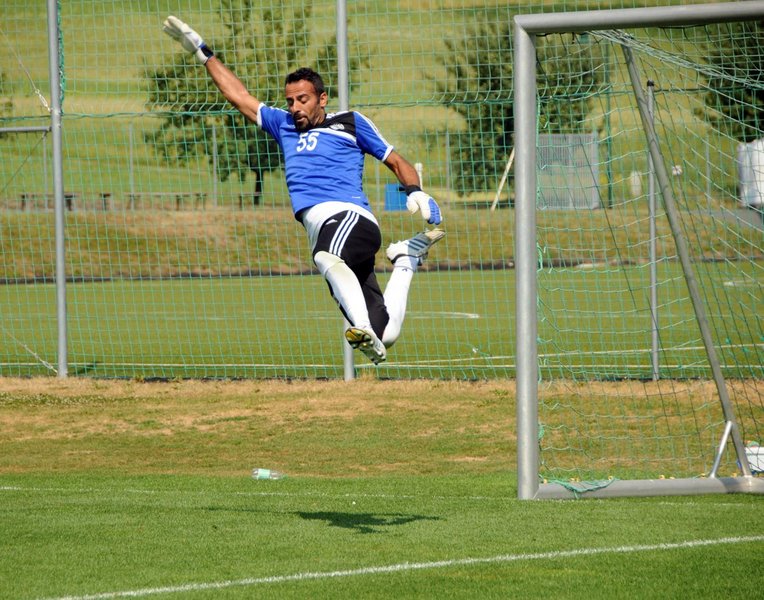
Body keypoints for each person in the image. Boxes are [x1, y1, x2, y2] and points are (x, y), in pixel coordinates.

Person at [163, 16, 444, 365]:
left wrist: (415, 191)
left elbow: (396, 160)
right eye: (290, 101)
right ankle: (406, 260)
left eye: (303, 99)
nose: (295, 107)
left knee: (326, 258)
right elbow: (239, 96)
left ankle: (360, 327)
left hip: (350, 218)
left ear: (322, 99)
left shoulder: (350, 123)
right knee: (386, 331)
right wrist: (203, 53)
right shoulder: (282, 124)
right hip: (321, 231)